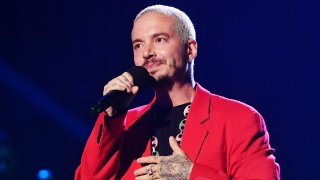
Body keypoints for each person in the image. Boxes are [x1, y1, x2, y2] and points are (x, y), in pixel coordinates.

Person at [75, 5, 280, 180]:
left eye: (160, 40)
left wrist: (191, 174)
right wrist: (112, 120)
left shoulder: (238, 118)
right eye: (138, 45)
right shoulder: (125, 124)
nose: (147, 53)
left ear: (190, 49)